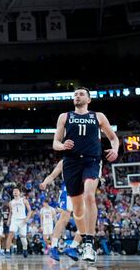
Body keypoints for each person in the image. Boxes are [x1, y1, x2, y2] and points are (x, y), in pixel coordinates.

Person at [53, 86, 119, 263]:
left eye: (81, 94)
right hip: (71, 163)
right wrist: (62, 146)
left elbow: (113, 138)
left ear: (89, 99)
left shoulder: (98, 116)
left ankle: (89, 244)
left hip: (91, 160)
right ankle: (80, 244)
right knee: (78, 210)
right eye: (75, 94)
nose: (77, 96)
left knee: (89, 196)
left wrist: (115, 150)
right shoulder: (64, 116)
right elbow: (55, 143)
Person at [39, 160, 82, 261]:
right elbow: (52, 175)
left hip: (81, 192)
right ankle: (53, 247)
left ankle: (73, 247)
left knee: (85, 224)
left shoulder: (86, 157)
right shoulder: (64, 161)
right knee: (64, 217)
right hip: (68, 190)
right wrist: (45, 182)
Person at [5, 187, 32, 258]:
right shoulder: (11, 202)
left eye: (17, 191)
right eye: (14, 191)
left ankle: (25, 249)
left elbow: (30, 211)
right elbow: (11, 212)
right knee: (10, 234)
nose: (15, 192)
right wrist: (8, 220)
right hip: (14, 220)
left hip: (22, 220)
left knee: (23, 237)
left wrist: (27, 218)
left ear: (20, 193)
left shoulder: (24, 200)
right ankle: (7, 251)